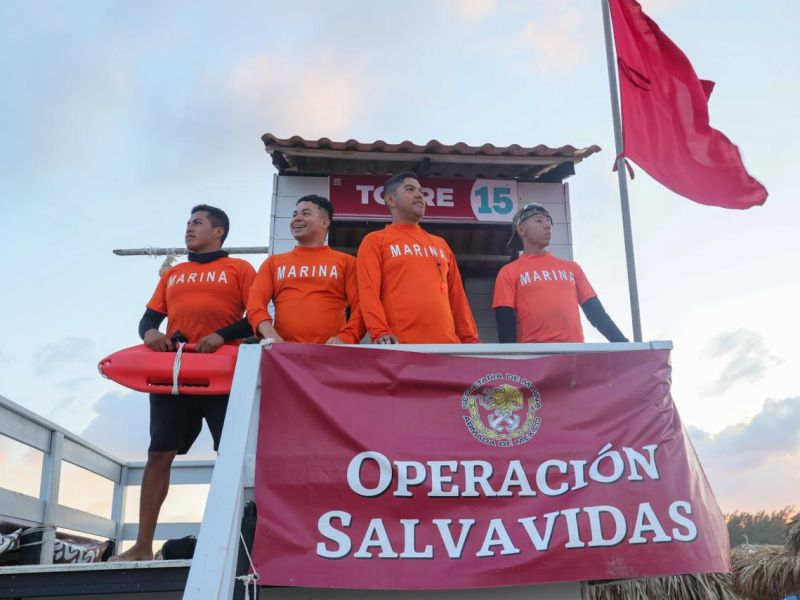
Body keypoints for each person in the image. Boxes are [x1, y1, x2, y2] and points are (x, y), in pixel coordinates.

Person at [110, 204, 256, 561]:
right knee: (158, 453)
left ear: (218, 231)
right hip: (173, 372)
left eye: (197, 223)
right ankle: (142, 545)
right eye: (188, 222)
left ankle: (232, 543)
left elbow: (256, 317)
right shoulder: (173, 275)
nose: (189, 228)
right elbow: (148, 318)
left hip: (220, 374)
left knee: (231, 454)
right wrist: (150, 336)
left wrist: (221, 335)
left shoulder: (239, 268)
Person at [356, 172, 479, 344]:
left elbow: (457, 297)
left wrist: (470, 340)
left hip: (448, 348)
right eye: (410, 189)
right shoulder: (375, 241)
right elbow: (368, 293)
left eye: (421, 191)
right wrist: (380, 332)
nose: (420, 195)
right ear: (390, 199)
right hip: (401, 348)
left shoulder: (440, 244)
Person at [493, 203, 628, 343]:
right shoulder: (508, 272)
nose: (547, 226)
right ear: (521, 230)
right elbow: (505, 323)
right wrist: (512, 360)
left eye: (548, 221)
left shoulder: (572, 268)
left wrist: (625, 345)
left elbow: (597, 314)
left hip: (574, 355)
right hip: (534, 357)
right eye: (539, 220)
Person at [246, 195, 365, 344]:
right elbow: (254, 304)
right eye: (294, 214)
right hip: (282, 354)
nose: (296, 218)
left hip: (331, 354)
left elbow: (362, 306)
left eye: (306, 213)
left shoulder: (347, 262)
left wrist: (346, 338)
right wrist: (269, 333)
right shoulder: (273, 263)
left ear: (324, 222)